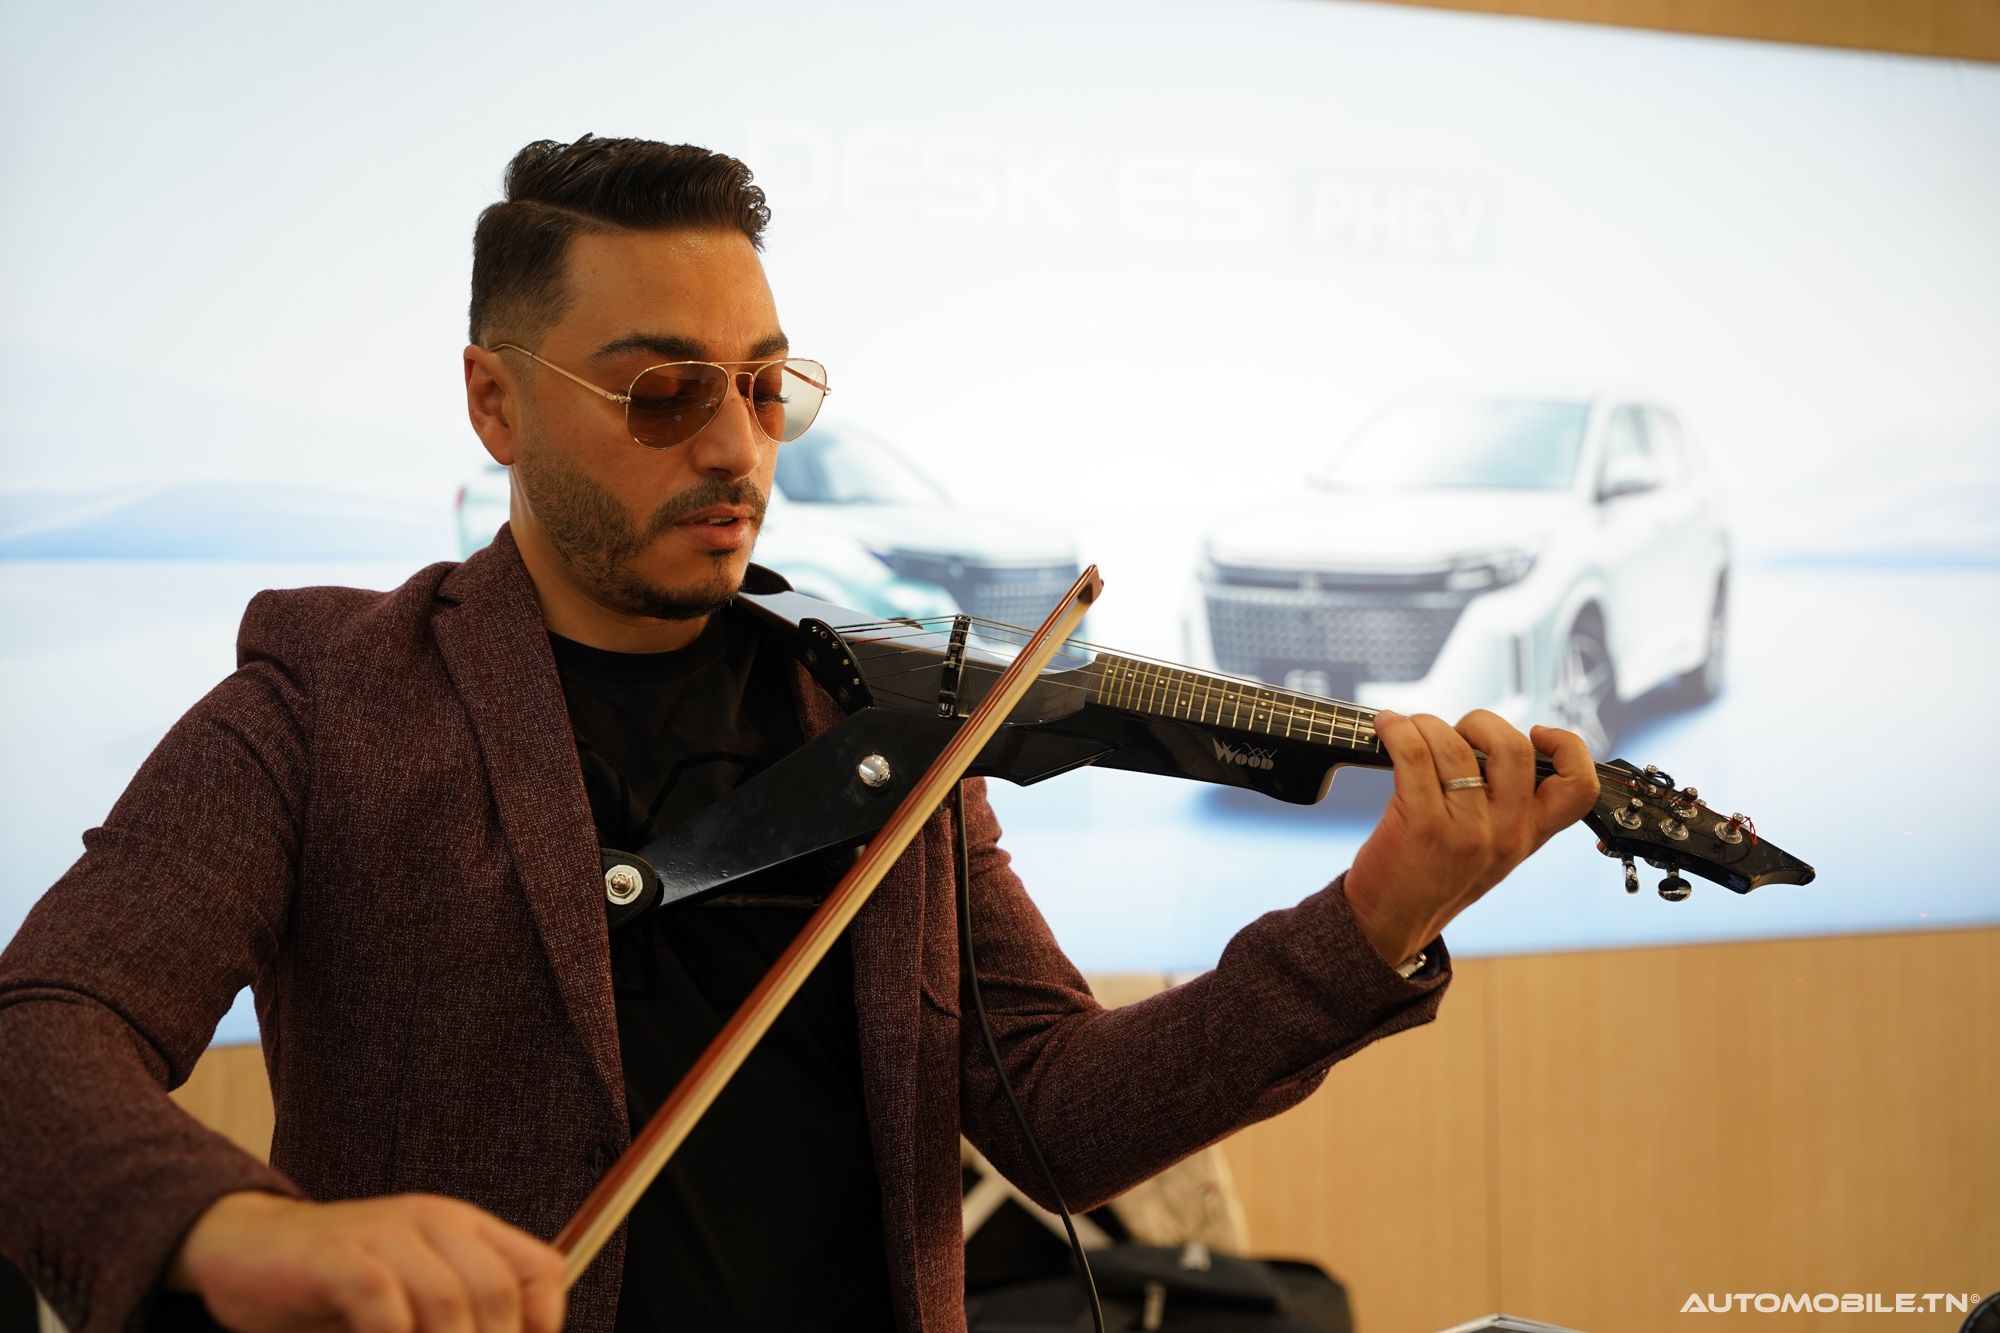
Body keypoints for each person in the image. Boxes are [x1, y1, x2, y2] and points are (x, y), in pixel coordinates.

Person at [0, 136, 1600, 1333]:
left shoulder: (877, 718)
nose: (735, 448)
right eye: (663, 393)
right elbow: (42, 1028)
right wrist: (239, 1225)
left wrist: (1371, 919)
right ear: (496, 401)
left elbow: (1059, 1108)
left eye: (766, 388)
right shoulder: (326, 700)